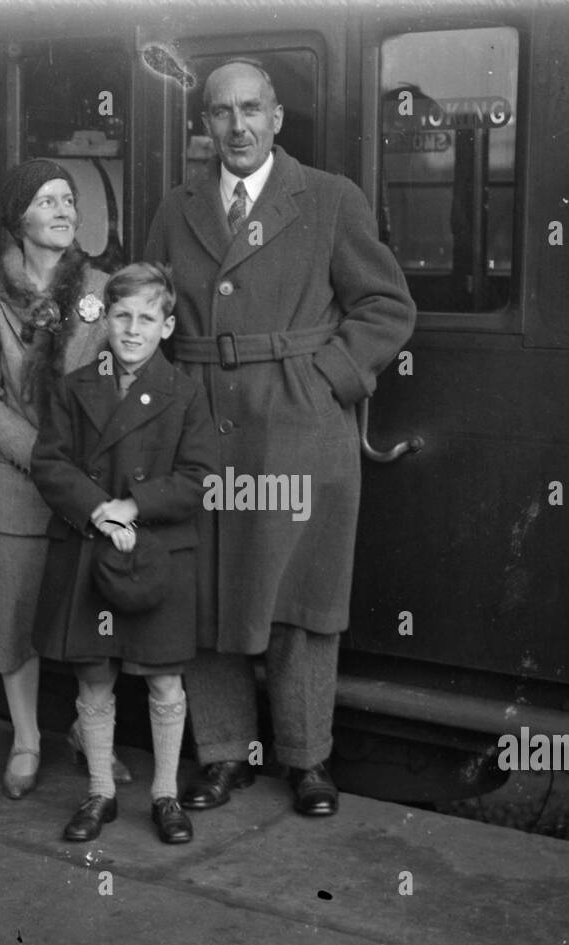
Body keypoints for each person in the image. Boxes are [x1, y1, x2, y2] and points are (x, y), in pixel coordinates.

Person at [144, 58, 417, 816]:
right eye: (222, 112)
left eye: (252, 109)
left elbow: (387, 307)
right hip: (201, 427)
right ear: (204, 124)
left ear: (277, 118)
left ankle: (307, 761)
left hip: (297, 429)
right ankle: (225, 756)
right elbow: (149, 311)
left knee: (303, 595)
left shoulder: (328, 199)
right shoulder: (176, 207)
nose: (237, 126)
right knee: (206, 594)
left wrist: (325, 380)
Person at [29, 263, 218, 843]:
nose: (132, 329)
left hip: (156, 553)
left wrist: (133, 506)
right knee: (94, 678)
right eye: (121, 316)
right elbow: (49, 463)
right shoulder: (74, 385)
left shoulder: (184, 392)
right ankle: (100, 795)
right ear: (105, 319)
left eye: (146, 318)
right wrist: (97, 509)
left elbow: (200, 476)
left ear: (166, 327)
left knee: (164, 681)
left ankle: (164, 795)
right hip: (91, 547)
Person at [0, 158, 129, 800]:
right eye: (48, 200)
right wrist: (45, 458)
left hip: (91, 484)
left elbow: (130, 373)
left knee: (96, 617)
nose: (65, 210)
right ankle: (27, 739)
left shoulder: (108, 289)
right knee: (17, 618)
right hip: (20, 482)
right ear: (18, 218)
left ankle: (92, 736)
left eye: (70, 200)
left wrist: (85, 466)